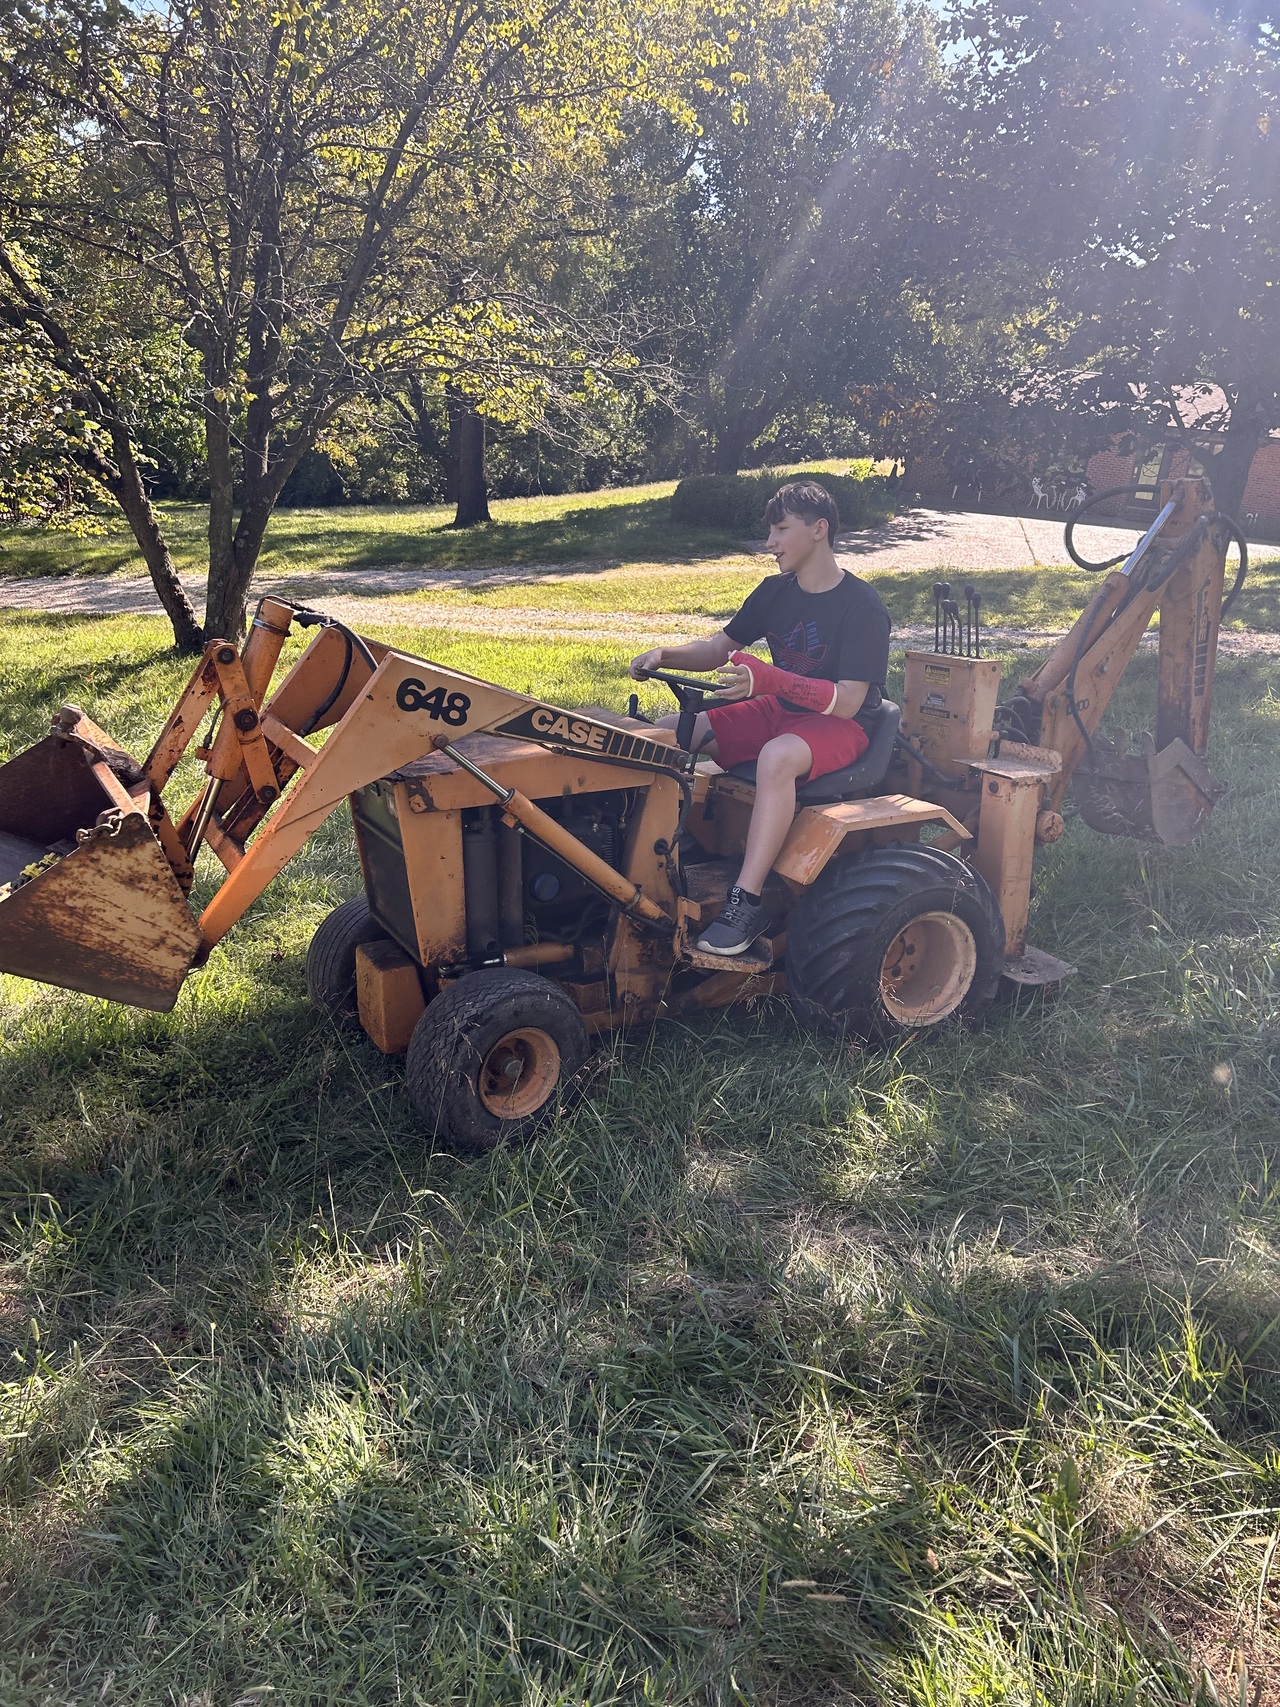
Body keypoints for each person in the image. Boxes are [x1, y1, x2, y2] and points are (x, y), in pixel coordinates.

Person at [631, 479, 891, 956]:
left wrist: (771, 680)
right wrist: (664, 654)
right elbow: (717, 649)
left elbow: (849, 701)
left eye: (781, 529)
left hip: (843, 726)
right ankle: (655, 857)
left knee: (776, 757)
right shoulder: (774, 592)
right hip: (780, 710)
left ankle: (746, 902)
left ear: (819, 529)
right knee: (664, 733)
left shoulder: (862, 606)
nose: (770, 542)